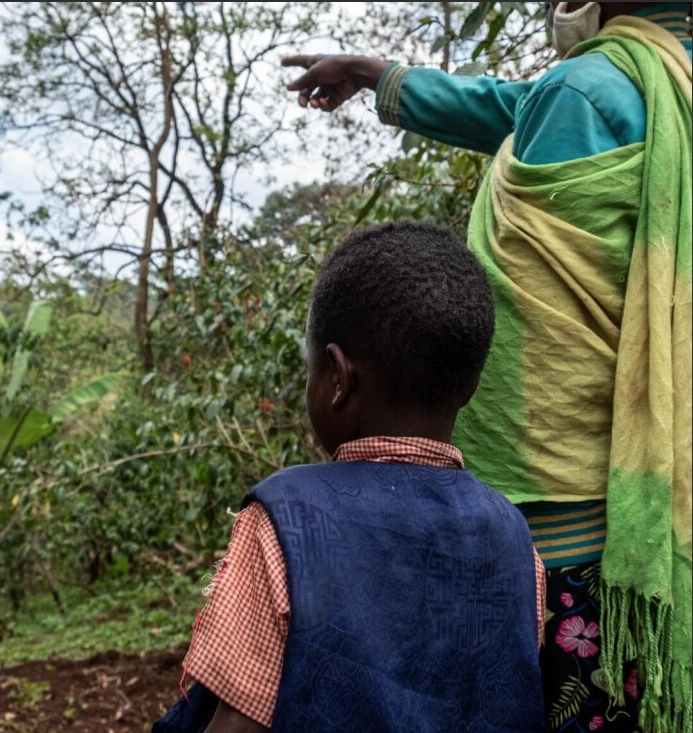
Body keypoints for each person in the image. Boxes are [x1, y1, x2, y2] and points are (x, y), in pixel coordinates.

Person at [281, 4, 691, 733]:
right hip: (663, 504)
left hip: (565, 527)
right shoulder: (663, 90)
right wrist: (379, 75)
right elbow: (519, 104)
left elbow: (537, 104)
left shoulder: (585, 92)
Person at [155, 222, 547, 733]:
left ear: (338, 378)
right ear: (471, 387)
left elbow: (239, 724)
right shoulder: (515, 539)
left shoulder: (286, 521)